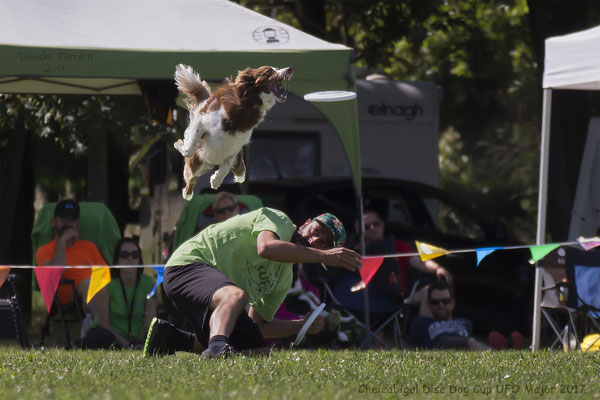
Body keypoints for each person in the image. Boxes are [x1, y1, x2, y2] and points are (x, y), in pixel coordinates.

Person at [143, 207, 361, 358]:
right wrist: (323, 255)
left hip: (215, 294)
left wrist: (300, 326)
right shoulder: (280, 220)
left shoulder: (285, 277)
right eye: (315, 232)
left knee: (256, 352)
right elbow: (265, 248)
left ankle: (170, 338)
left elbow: (260, 325)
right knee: (236, 296)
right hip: (187, 265)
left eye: (322, 244)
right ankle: (216, 350)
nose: (313, 241)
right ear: (305, 224)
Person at [332, 209, 452, 313]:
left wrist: (438, 269)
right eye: (367, 226)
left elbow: (420, 262)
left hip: (393, 299)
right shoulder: (352, 249)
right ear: (359, 229)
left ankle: (429, 331)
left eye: (376, 223)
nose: (372, 228)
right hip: (358, 299)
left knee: (430, 292)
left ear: (383, 224)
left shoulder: (397, 245)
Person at [80, 238, 156, 349]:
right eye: (124, 255)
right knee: (104, 337)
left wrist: (146, 343)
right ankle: (76, 345)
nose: (130, 259)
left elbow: (150, 322)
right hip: (110, 336)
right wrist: (127, 345)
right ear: (117, 260)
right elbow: (104, 324)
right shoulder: (106, 285)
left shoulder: (149, 284)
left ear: (140, 259)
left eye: (135, 255)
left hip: (136, 338)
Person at [409, 280, 523, 350]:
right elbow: (413, 348)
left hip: (464, 349)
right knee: (467, 341)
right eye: (435, 302)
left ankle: (505, 350)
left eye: (445, 301)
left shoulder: (464, 322)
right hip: (440, 346)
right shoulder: (421, 322)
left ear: (452, 303)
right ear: (429, 305)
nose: (441, 305)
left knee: (469, 342)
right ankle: (501, 355)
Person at [35, 199, 107, 309]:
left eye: (72, 220)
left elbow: (104, 276)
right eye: (64, 219)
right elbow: (54, 276)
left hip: (95, 294)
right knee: (89, 284)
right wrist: (62, 241)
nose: (68, 224)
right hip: (71, 300)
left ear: (77, 225)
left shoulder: (89, 247)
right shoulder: (44, 250)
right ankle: (99, 323)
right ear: (53, 221)